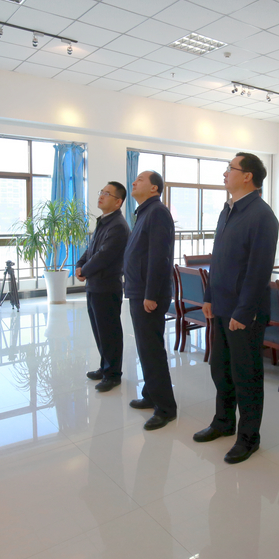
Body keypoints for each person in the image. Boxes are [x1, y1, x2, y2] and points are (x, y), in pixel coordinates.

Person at [195, 152, 279, 464]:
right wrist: (208, 295)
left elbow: (259, 270)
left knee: (246, 375)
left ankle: (249, 436)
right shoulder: (228, 210)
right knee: (221, 369)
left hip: (244, 313)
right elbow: (217, 258)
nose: (225, 173)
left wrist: (243, 312)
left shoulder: (262, 215)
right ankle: (223, 421)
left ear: (247, 176)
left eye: (230, 168)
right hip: (221, 306)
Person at [124, 170, 177, 430]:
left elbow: (159, 256)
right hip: (139, 290)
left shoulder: (157, 212)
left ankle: (165, 408)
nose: (134, 182)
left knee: (152, 350)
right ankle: (150, 394)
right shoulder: (144, 212)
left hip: (148, 294)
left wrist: (151, 294)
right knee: (144, 348)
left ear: (154, 188)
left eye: (141, 180)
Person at [76, 182, 131, 393]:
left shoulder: (118, 226)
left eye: (107, 194)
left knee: (110, 333)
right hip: (94, 285)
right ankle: (105, 366)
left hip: (107, 287)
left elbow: (103, 256)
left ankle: (113, 374)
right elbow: (91, 249)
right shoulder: (104, 221)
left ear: (118, 202)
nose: (101, 196)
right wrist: (80, 265)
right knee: (99, 331)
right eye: (102, 192)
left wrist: (84, 270)